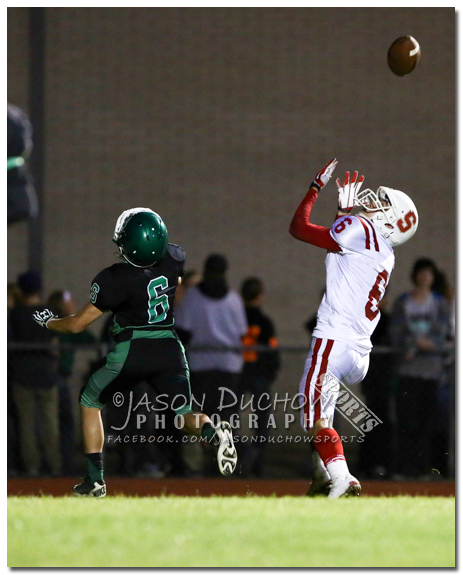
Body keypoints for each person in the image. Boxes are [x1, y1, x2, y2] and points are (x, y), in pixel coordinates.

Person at [33, 208, 237, 497]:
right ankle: (211, 432)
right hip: (169, 347)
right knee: (183, 413)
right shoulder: (174, 257)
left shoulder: (114, 278)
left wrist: (50, 321)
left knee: (90, 399)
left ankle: (94, 481)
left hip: (133, 348)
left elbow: (78, 325)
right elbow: (175, 282)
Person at [289, 158, 419, 498]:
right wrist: (344, 211)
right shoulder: (385, 252)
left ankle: (343, 477)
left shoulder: (363, 231)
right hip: (358, 351)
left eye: (383, 204)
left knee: (316, 419)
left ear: (390, 219)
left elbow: (299, 229)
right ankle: (323, 476)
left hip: (333, 340)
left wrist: (314, 188)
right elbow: (340, 255)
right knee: (319, 418)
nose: (375, 201)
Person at [174, 254, 247, 475]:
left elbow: (183, 331)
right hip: (229, 367)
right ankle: (222, 468)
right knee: (224, 419)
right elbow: (242, 333)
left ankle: (195, 466)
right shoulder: (233, 299)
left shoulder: (193, 296)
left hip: (199, 366)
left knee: (197, 418)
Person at [390, 258, 451, 478]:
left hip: (431, 371)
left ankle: (424, 468)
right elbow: (396, 331)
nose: (425, 277)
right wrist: (411, 345)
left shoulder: (439, 303)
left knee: (427, 422)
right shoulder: (403, 302)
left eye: (429, 273)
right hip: (408, 370)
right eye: (422, 273)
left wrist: (429, 343)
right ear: (415, 275)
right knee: (406, 420)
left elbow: (442, 330)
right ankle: (404, 468)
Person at [9, 270, 62, 476]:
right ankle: (55, 466)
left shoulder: (15, 314)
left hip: (22, 374)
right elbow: (57, 343)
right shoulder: (51, 312)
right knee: (50, 424)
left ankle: (32, 468)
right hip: (47, 374)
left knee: (26, 425)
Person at [47, 290, 97, 475]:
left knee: (61, 421)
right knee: (61, 421)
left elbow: (90, 340)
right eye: (68, 301)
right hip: (55, 377)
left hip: (60, 377)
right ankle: (61, 465)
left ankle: (61, 463)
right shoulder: (61, 324)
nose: (73, 304)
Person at [239, 277, 280, 477]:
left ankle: (233, 458)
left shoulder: (236, 317)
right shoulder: (264, 322)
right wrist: (271, 373)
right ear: (260, 296)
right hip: (258, 375)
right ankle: (258, 464)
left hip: (237, 373)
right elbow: (272, 350)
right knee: (261, 421)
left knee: (228, 417)